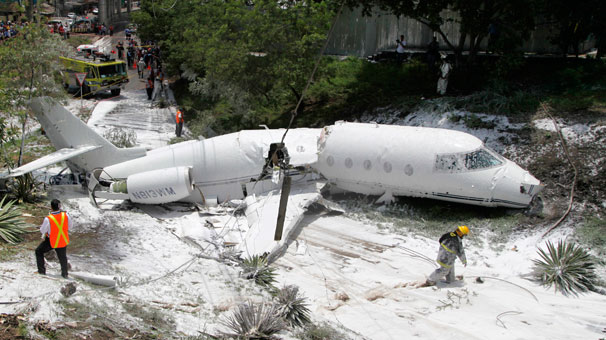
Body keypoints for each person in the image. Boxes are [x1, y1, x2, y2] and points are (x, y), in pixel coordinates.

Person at [35, 199, 72, 278]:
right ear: (60, 206)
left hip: (52, 240)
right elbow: (70, 226)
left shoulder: (48, 218)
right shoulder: (66, 215)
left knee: (38, 251)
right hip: (62, 239)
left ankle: (41, 271)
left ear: (51, 207)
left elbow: (42, 230)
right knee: (62, 257)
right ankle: (65, 274)